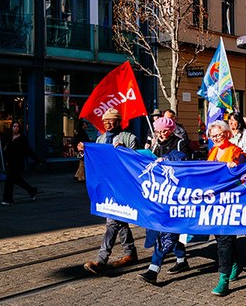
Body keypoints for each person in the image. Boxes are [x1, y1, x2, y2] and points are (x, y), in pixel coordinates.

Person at [81, 109, 141, 275]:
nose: (107, 123)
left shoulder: (129, 138)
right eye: (105, 121)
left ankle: (101, 260)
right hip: (106, 186)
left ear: (118, 121)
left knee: (112, 222)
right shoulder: (100, 139)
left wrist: (124, 150)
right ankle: (130, 253)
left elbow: (136, 161)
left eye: (111, 120)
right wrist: (84, 151)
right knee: (119, 220)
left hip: (123, 187)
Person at [138, 117, 190, 284]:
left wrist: (167, 158)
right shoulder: (155, 143)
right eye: (158, 131)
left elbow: (184, 159)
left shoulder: (180, 142)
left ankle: (153, 270)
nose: (161, 134)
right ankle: (182, 260)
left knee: (167, 230)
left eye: (164, 131)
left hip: (175, 193)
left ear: (172, 129)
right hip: (158, 194)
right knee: (163, 229)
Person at [205, 120, 246, 296]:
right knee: (223, 238)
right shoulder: (213, 151)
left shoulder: (235, 152)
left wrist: (235, 168)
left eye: (219, 134)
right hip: (215, 201)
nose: (216, 138)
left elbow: (245, 173)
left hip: (231, 202)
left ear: (227, 134)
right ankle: (235, 263)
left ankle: (223, 280)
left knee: (224, 239)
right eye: (213, 135)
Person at [1, 121, 38, 205]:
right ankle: (32, 190)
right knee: (17, 180)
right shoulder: (9, 137)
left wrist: (35, 159)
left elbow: (28, 149)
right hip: (10, 162)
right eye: (14, 126)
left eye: (17, 126)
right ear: (11, 127)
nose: (16, 128)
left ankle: (7, 199)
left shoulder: (22, 138)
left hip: (17, 162)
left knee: (9, 180)